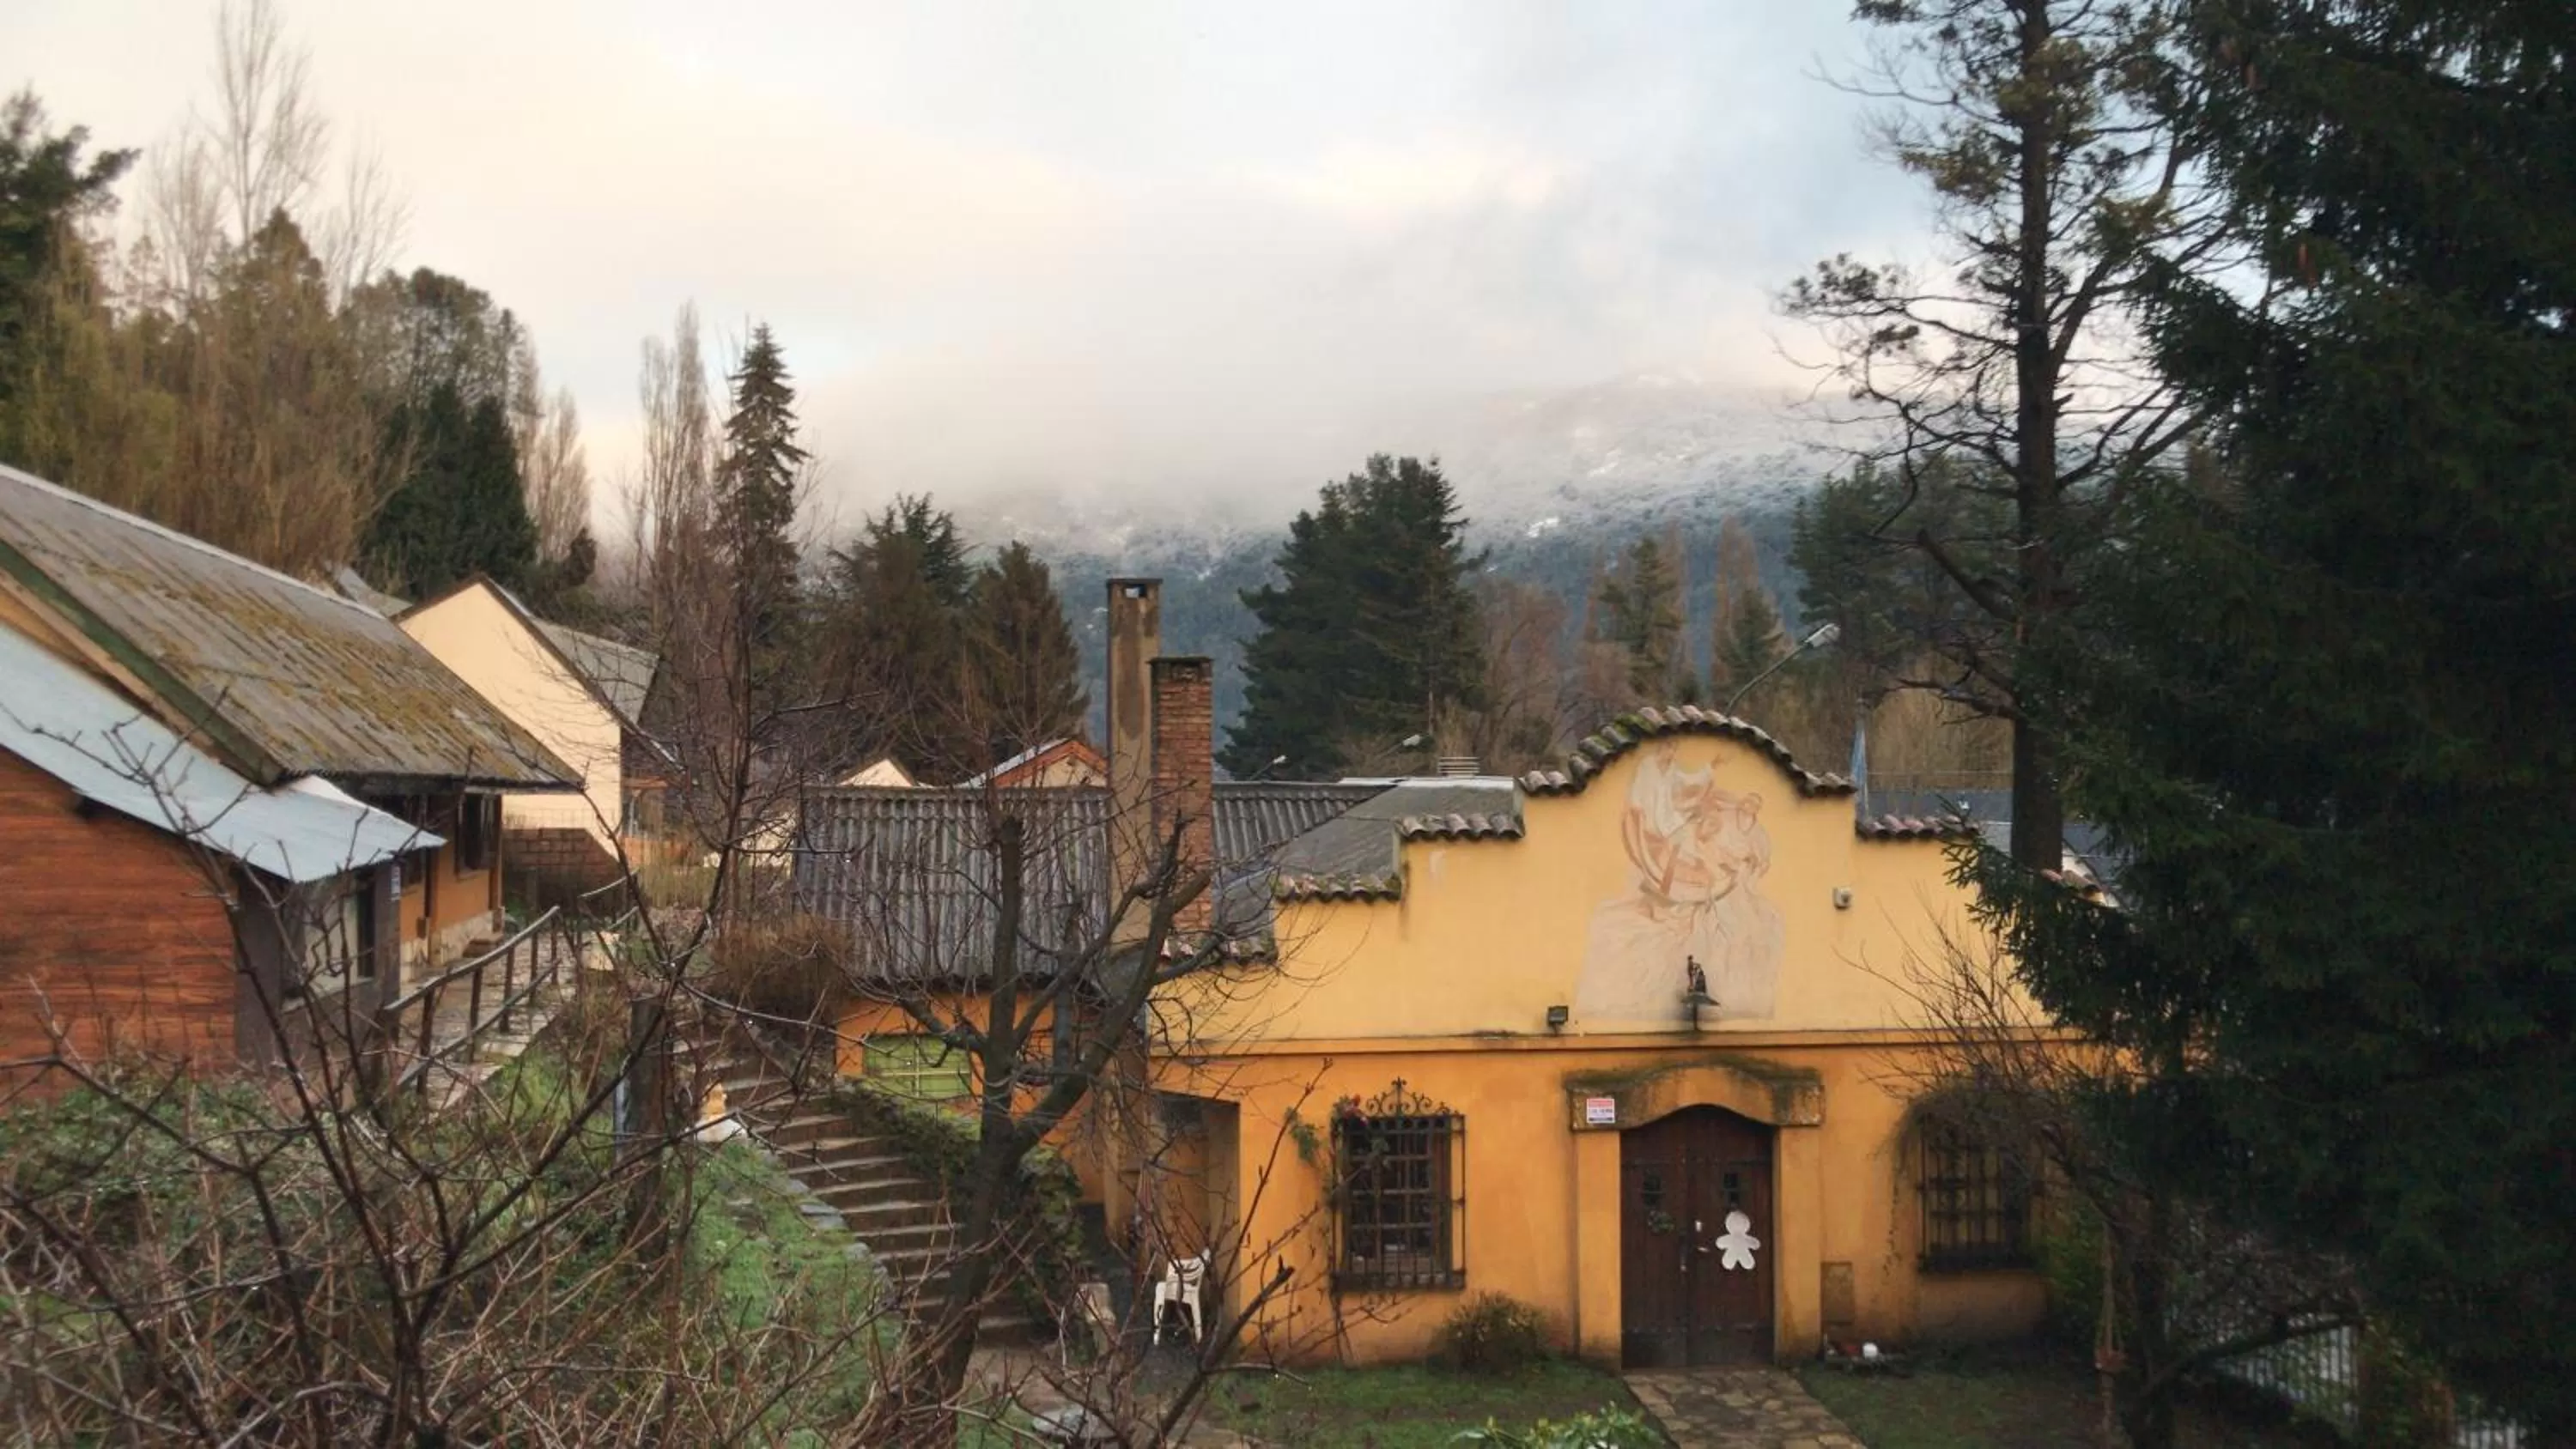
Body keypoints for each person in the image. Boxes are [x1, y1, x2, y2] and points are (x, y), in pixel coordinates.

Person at [1572, 742, 1785, 1022]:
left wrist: (1711, 769)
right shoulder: (1649, 771)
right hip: (1659, 823)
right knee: (1682, 858)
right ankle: (1674, 905)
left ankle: (1682, 906)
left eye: (1753, 805)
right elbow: (1647, 799)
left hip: (1683, 837)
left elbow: (1689, 782)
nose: (1671, 754)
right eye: (1668, 750)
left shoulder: (1748, 832)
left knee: (1694, 865)